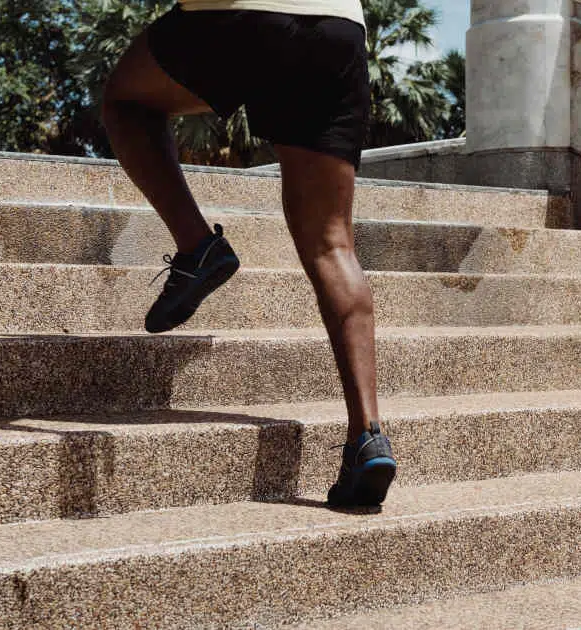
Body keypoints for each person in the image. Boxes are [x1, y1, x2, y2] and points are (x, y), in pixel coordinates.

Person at [101, 0, 396, 507]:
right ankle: (367, 435)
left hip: (240, 13)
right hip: (338, 27)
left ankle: (198, 246)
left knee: (126, 100)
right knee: (332, 243)